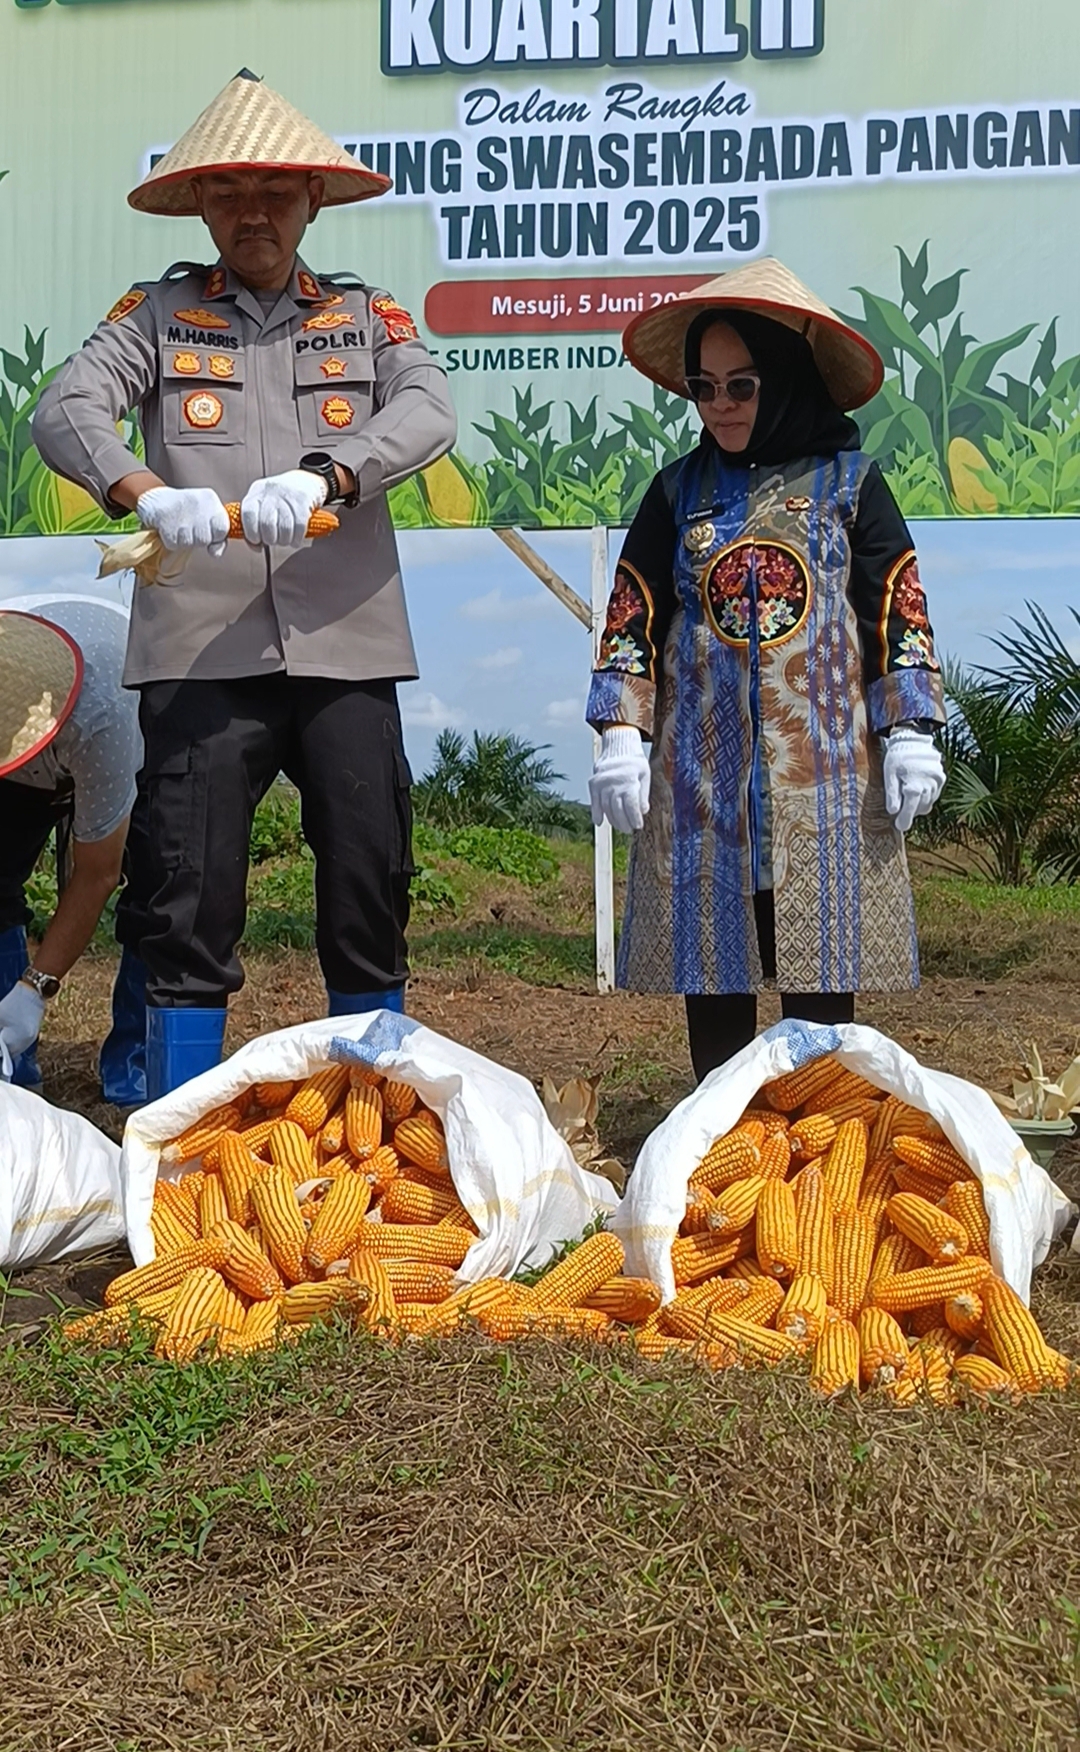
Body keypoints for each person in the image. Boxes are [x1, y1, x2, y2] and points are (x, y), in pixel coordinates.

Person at [33, 70, 457, 1099]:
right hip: (201, 647)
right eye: (228, 194)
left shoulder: (365, 316)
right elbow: (65, 406)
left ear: (312, 200)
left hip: (347, 640)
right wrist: (142, 492)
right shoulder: (157, 315)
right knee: (184, 892)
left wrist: (331, 474)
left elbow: (429, 408)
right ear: (199, 204)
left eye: (274, 192)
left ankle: (374, 1115)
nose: (252, 213)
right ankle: (175, 1123)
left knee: (368, 876)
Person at [586, 259, 947, 1082]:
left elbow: (896, 606)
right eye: (704, 388)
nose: (721, 406)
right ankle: (722, 1136)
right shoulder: (676, 494)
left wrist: (911, 727)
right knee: (715, 981)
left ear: (783, 379)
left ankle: (813, 1133)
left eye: (741, 386)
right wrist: (619, 731)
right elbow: (633, 612)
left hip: (823, 780)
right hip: (701, 784)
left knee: (820, 982)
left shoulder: (850, 485)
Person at [0, 601, 145, 1102]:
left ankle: (134, 1066)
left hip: (127, 721)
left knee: (158, 893)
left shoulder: (100, 715)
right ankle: (12, 1064)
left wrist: (34, 988)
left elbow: (98, 873)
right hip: (45, 743)